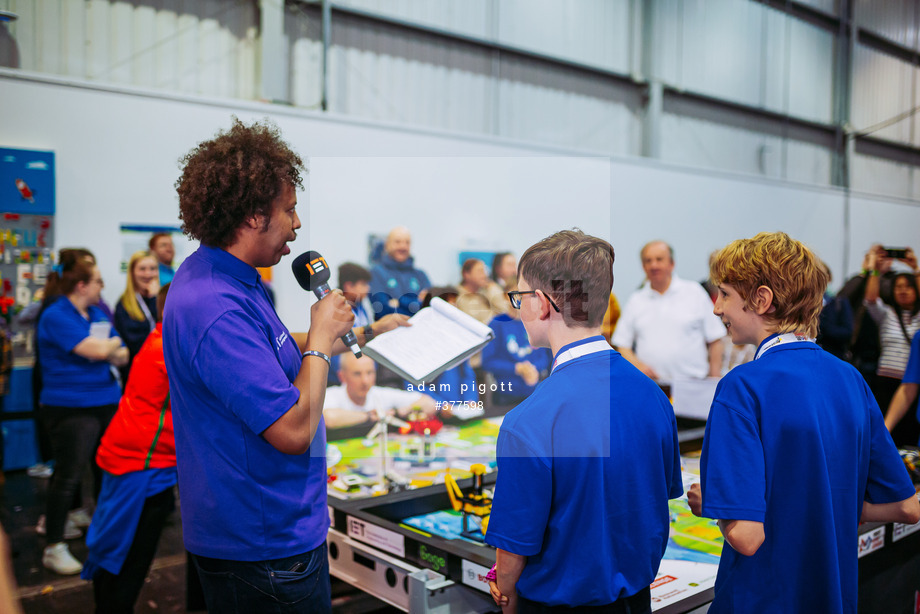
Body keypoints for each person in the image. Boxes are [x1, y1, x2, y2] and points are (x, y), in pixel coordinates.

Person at [163, 118, 406, 613]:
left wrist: (364, 334)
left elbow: (270, 348)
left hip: (275, 528)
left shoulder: (230, 277)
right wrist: (319, 336)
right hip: (263, 544)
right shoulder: (213, 305)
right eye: (289, 210)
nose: (297, 224)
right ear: (254, 216)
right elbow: (293, 430)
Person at [687, 232, 920, 614]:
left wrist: (714, 503)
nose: (716, 308)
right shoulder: (849, 379)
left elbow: (746, 536)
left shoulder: (742, 387)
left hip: (761, 600)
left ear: (761, 299)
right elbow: (907, 508)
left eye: (724, 293)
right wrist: (833, 504)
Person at [486, 229, 681, 613]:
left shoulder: (529, 420)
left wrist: (506, 594)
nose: (519, 306)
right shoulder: (654, 397)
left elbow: (512, 548)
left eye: (521, 296)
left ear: (541, 304)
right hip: (637, 599)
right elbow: (657, 498)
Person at [82, 283, 176, 613]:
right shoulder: (172, 347)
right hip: (141, 464)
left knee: (115, 548)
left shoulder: (163, 337)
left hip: (133, 455)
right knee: (124, 557)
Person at [37, 252, 128, 575]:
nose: (101, 287)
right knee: (68, 475)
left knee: (103, 469)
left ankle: (96, 529)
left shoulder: (93, 314)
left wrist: (109, 349)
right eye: (98, 281)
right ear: (81, 285)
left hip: (104, 402)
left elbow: (121, 353)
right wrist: (108, 348)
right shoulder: (56, 314)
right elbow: (104, 350)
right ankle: (53, 545)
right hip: (71, 408)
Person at [612, 240, 725, 381]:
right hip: (652, 387)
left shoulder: (695, 292)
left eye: (659, 259)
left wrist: (714, 379)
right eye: (648, 261)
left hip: (693, 385)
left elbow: (715, 338)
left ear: (672, 264)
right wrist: (638, 365)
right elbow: (622, 344)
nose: (654, 265)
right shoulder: (636, 300)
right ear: (643, 266)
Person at [862, 245, 920, 446]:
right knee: (883, 433)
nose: (903, 290)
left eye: (908, 286)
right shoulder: (888, 314)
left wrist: (915, 269)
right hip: (885, 382)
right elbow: (870, 300)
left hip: (911, 382)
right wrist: (875, 269)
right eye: (898, 287)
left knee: (909, 435)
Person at [480, 282, 552, 407]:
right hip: (506, 395)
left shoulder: (538, 320)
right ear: (505, 297)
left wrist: (533, 368)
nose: (520, 299)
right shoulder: (496, 324)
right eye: (515, 294)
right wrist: (517, 369)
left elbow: (545, 356)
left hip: (534, 392)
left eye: (525, 294)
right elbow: (488, 362)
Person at [323, 353, 436, 428]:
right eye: (357, 374)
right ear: (342, 376)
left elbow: (430, 404)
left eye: (370, 372)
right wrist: (369, 416)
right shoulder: (331, 395)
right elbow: (328, 418)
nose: (365, 381)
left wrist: (401, 411)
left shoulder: (380, 394)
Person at [113, 251, 159, 380]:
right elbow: (136, 343)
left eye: (152, 269)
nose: (148, 274)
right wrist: (153, 301)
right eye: (142, 269)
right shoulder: (124, 304)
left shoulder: (164, 300)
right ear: (132, 273)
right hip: (135, 373)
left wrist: (156, 299)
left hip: (160, 371)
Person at [369, 226, 430, 318]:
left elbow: (429, 307)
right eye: (397, 242)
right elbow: (382, 309)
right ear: (387, 245)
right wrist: (417, 302)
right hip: (389, 331)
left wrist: (399, 302)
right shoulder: (376, 273)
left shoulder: (420, 275)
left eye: (407, 242)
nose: (403, 246)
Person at [456, 258, 498, 325]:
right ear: (466, 274)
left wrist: (492, 288)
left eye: (484, 271)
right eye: (480, 271)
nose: (484, 275)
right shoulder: (457, 295)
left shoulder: (486, 293)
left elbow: (503, 311)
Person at [339, 262, 374, 328]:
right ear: (349, 286)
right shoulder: (338, 309)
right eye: (363, 284)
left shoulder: (359, 304)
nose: (368, 288)